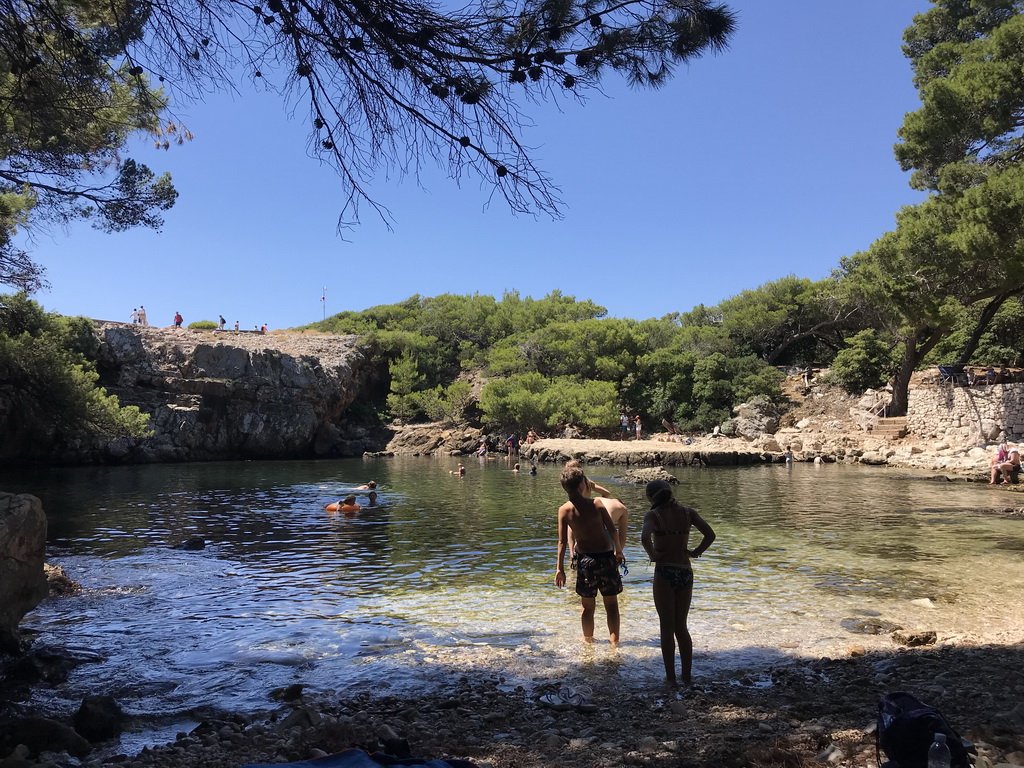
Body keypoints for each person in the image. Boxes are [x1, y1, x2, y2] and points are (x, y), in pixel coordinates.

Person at [641, 479, 716, 687]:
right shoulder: (687, 512)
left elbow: (645, 537)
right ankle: (687, 676)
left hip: (665, 571)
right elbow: (710, 535)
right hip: (685, 571)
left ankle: (671, 678)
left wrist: (653, 555)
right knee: (681, 627)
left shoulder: (653, 515)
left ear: (650, 497)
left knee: (666, 627)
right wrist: (696, 552)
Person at [554, 465, 624, 645]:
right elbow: (612, 530)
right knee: (611, 605)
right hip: (606, 557)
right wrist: (618, 550)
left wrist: (559, 569)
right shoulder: (597, 503)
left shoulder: (564, 510)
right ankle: (614, 642)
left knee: (587, 607)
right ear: (581, 486)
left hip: (585, 562)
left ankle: (588, 642)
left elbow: (562, 542)